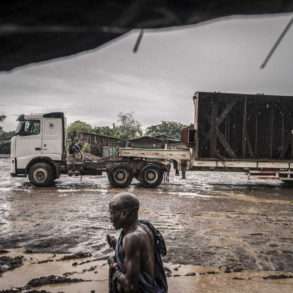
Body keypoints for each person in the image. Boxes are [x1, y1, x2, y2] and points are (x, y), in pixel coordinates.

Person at [107, 192, 168, 293]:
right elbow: (140, 257)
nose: (110, 217)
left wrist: (114, 267)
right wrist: (116, 244)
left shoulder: (132, 238)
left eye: (112, 213)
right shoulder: (144, 226)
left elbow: (130, 286)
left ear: (124, 213)